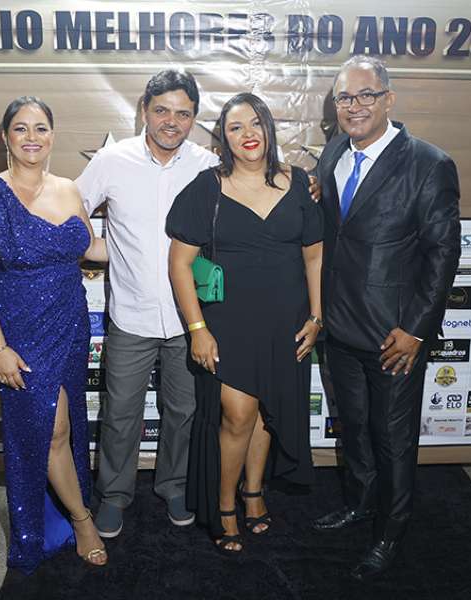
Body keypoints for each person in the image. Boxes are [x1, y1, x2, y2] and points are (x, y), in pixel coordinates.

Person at [75, 70, 321, 538]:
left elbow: (273, 189)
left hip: (195, 319)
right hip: (133, 313)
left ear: (194, 119)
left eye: (183, 113)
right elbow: (72, 209)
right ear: (144, 111)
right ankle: (114, 496)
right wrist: (100, 248)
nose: (172, 121)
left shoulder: (210, 165)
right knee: (121, 413)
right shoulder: (111, 160)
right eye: (162, 111)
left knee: (184, 414)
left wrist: (312, 186)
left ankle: (174, 486)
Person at [311, 56, 461, 580]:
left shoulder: (429, 163)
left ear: (388, 100)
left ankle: (390, 533)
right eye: (344, 98)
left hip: (394, 335)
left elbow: (443, 255)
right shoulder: (333, 153)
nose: (354, 106)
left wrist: (416, 330)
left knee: (393, 441)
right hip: (339, 327)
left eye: (366, 95)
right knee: (354, 430)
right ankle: (360, 504)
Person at [167, 92, 323, 554]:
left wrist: (317, 316)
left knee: (266, 414)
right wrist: (198, 330)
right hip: (228, 324)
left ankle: (253, 492)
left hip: (286, 321)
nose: (248, 134)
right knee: (237, 414)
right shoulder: (206, 187)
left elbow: (314, 256)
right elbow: (180, 265)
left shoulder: (299, 183)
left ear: (269, 128)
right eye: (235, 127)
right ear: (224, 139)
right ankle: (224, 506)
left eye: (255, 123)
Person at [0, 96, 109, 572]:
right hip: (21, 333)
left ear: (52, 136)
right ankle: (82, 520)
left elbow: (90, 248)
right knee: (51, 429)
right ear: (5, 138)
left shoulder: (68, 189)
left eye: (41, 128)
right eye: (21, 128)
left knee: (66, 425)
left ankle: (67, 510)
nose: (32, 137)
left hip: (70, 325)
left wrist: (154, 241)